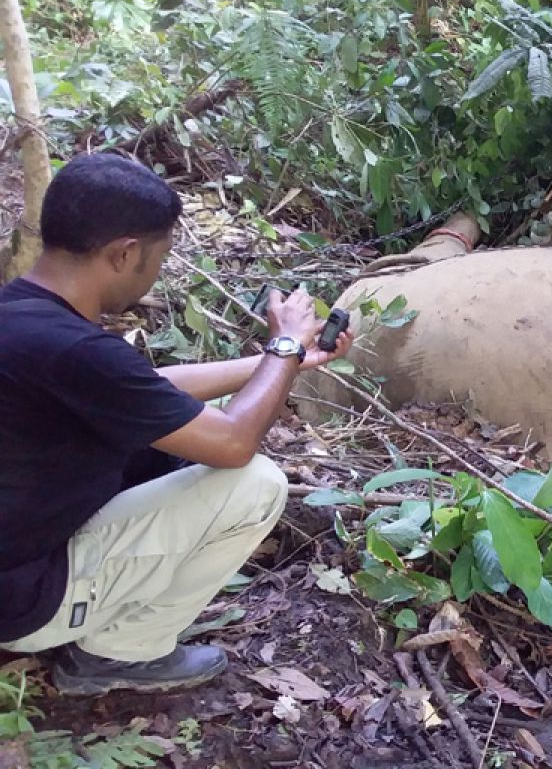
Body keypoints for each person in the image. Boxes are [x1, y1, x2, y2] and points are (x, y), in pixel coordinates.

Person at [0, 153, 354, 696]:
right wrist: (283, 344)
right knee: (254, 484)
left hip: (17, 559)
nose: (157, 270)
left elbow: (145, 385)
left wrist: (286, 359)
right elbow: (234, 443)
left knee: (169, 443)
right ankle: (120, 654)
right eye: (160, 257)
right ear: (125, 254)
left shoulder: (24, 314)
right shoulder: (72, 348)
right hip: (24, 600)